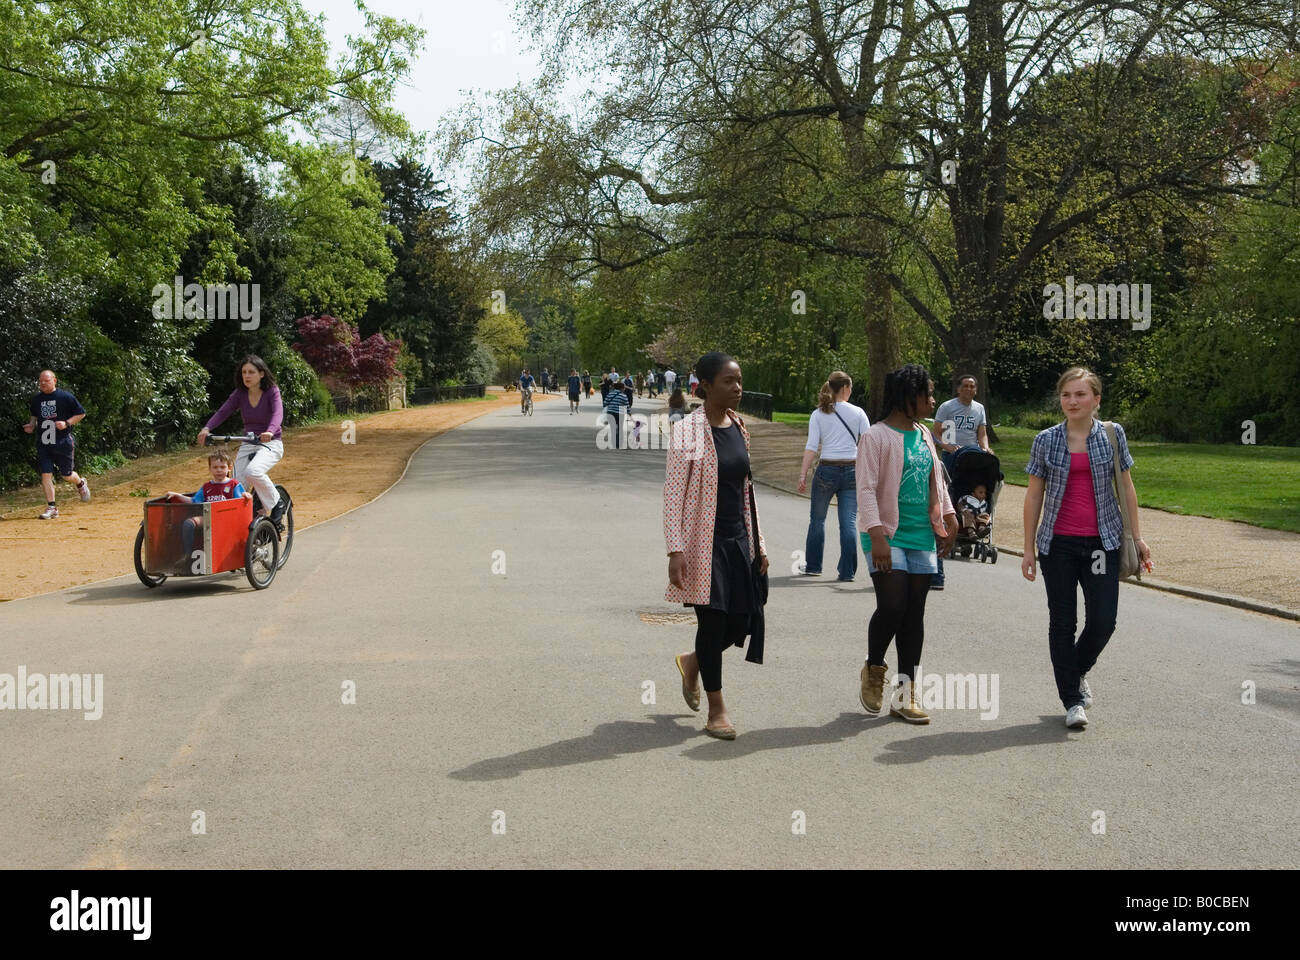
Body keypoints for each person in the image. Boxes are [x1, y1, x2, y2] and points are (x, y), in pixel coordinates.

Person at [1022, 367, 1152, 730]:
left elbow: (1126, 486)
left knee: (1102, 621)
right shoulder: (1045, 440)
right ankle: (1072, 700)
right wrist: (1029, 548)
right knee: (1062, 623)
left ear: (1096, 399)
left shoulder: (1112, 435)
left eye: (1080, 395)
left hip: (1102, 544)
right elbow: (1034, 495)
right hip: (1057, 545)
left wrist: (1137, 538)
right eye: (1066, 395)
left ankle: (1075, 671)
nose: (1072, 402)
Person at [665, 352, 768, 740]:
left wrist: (758, 542)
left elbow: (746, 491)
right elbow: (673, 495)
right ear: (705, 386)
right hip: (701, 543)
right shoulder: (689, 431)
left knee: (742, 618)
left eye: (739, 380)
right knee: (712, 621)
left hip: (737, 539)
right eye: (728, 381)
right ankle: (717, 709)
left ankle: (692, 662)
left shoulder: (739, 425)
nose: (737, 387)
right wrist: (675, 550)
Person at [855, 364, 957, 724]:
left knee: (915, 612)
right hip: (885, 532)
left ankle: (905, 692)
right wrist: (878, 534)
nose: (932, 400)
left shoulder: (925, 434)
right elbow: (865, 488)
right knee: (893, 605)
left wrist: (948, 514)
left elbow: (936, 480)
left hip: (921, 533)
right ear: (906, 397)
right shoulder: (876, 436)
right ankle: (874, 666)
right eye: (926, 394)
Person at [798, 371, 870, 581]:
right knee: (848, 523)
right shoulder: (858, 413)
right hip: (851, 470)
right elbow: (867, 444)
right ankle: (847, 571)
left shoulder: (818, 414)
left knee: (817, 520)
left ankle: (813, 566)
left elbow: (812, 447)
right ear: (845, 388)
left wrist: (803, 474)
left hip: (826, 470)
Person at [196, 355, 284, 521]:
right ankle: (242, 521)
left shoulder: (272, 391)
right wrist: (207, 428)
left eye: (251, 372)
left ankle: (276, 503)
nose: (247, 376)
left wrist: (270, 431)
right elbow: (223, 411)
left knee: (253, 471)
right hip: (249, 442)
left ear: (262, 374)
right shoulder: (240, 393)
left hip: (271, 443)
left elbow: (278, 413)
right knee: (235, 484)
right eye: (244, 372)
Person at [929, 375, 991, 590]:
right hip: (953, 456)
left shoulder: (979, 409)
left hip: (973, 455)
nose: (969, 389)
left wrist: (985, 448)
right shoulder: (948, 407)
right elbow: (937, 433)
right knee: (951, 491)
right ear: (959, 389)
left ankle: (972, 525)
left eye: (972, 386)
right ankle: (950, 526)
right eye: (965, 386)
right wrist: (948, 447)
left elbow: (981, 433)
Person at [163, 446, 253, 571]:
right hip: (209, 518)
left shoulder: (234, 485)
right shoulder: (206, 487)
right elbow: (194, 501)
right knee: (189, 523)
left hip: (227, 520)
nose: (219, 470)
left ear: (229, 468)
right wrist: (178, 495)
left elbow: (240, 502)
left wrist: (245, 495)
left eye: (222, 467)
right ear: (210, 469)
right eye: (215, 467)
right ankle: (188, 555)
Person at [23, 370, 91, 519]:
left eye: (46, 381)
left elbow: (81, 413)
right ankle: (52, 507)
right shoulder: (36, 400)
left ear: (55, 381)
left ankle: (80, 483)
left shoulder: (65, 397)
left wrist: (67, 423)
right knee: (46, 474)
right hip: (44, 441)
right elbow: (34, 415)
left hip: (63, 441)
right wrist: (31, 425)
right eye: (40, 381)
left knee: (67, 475)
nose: (42, 383)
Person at [602, 372, 631, 448]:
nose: (624, 389)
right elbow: (627, 406)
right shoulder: (623, 396)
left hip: (610, 413)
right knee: (620, 429)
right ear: (621, 388)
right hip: (620, 414)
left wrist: (610, 405)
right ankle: (618, 444)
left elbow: (605, 403)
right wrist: (629, 414)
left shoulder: (610, 394)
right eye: (624, 388)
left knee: (613, 428)